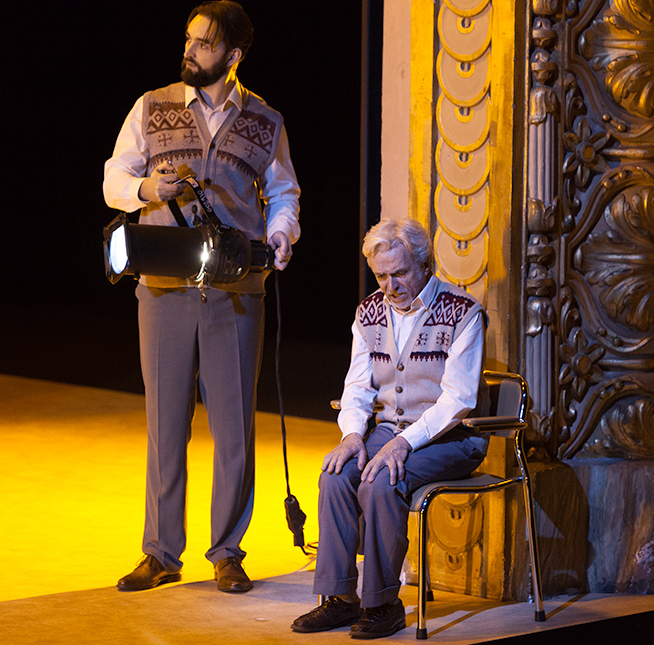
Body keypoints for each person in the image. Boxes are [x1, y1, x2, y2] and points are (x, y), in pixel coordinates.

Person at [102, 0, 300, 594]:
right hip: (162, 288)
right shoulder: (152, 105)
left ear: (232, 56)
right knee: (166, 423)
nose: (190, 50)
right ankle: (161, 551)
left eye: (205, 44)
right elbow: (113, 177)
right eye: (189, 39)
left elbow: (284, 191)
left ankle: (228, 551)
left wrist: (282, 233)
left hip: (236, 288)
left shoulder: (265, 119)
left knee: (234, 425)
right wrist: (143, 186)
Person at [291, 219, 488, 639]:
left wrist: (402, 443)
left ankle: (382, 603)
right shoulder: (369, 313)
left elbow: (459, 400)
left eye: (399, 273)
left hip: (452, 436)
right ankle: (341, 599)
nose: (390, 285)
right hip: (390, 430)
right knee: (337, 476)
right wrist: (351, 435)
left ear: (424, 264)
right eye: (381, 275)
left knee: (381, 482)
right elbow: (358, 386)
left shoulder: (463, 312)